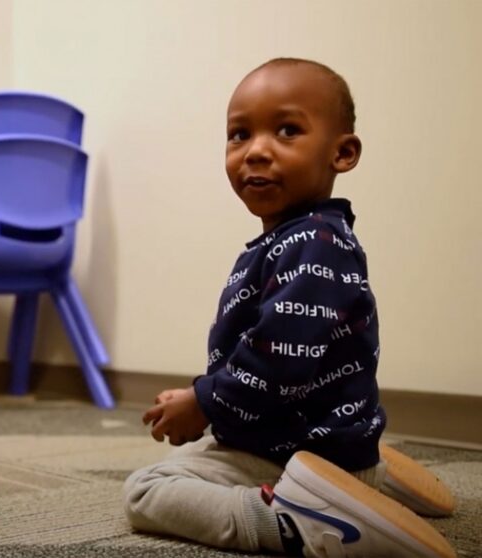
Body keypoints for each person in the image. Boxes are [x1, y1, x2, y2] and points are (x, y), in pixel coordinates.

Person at [122, 58, 455, 557]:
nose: (256, 151)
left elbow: (278, 359)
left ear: (341, 154)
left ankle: (295, 517)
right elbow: (277, 348)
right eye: (239, 135)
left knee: (146, 490)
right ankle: (364, 473)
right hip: (301, 435)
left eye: (286, 130)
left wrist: (204, 401)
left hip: (288, 450)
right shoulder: (300, 238)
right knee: (198, 461)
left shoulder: (313, 243)